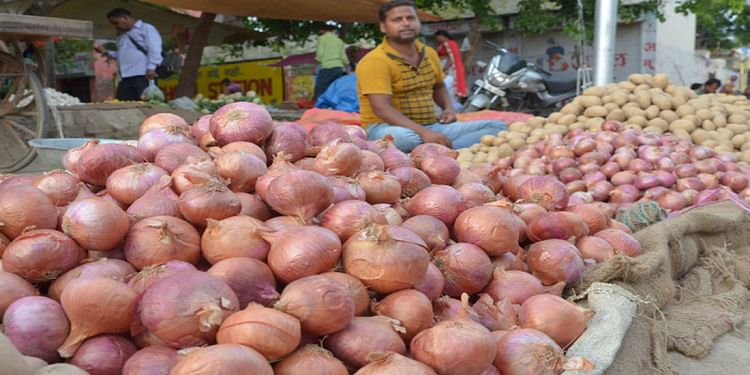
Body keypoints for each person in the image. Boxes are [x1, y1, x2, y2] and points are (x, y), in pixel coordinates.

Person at [355, 0, 507, 152]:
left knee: (497, 127)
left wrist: (448, 108)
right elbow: (382, 109)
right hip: (385, 128)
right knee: (407, 139)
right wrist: (424, 133)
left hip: (428, 126)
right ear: (383, 26)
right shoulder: (375, 60)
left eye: (411, 18)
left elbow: (439, 86)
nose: (406, 23)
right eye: (397, 20)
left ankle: (436, 151)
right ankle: (440, 149)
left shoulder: (429, 53)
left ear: (418, 21)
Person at [95, 8, 162, 101]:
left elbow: (154, 48)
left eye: (116, 23)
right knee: (124, 102)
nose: (116, 26)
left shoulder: (146, 28)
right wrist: (105, 52)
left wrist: (151, 67)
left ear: (125, 18)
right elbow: (120, 54)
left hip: (143, 74)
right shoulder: (121, 35)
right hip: (126, 76)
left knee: (146, 103)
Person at [433, 30, 467, 111]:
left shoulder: (449, 43)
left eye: (437, 37)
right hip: (444, 67)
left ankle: (450, 107)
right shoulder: (448, 43)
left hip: (449, 70)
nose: (437, 39)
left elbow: (451, 57)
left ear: (442, 36)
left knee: (447, 86)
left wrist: (446, 68)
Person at [314, 24, 349, 99]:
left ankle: (320, 106)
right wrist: (347, 68)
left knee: (321, 87)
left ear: (323, 31)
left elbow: (320, 54)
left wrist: (316, 66)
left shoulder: (322, 39)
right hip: (338, 68)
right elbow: (343, 57)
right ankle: (334, 106)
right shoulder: (339, 41)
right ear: (334, 31)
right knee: (335, 87)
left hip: (327, 67)